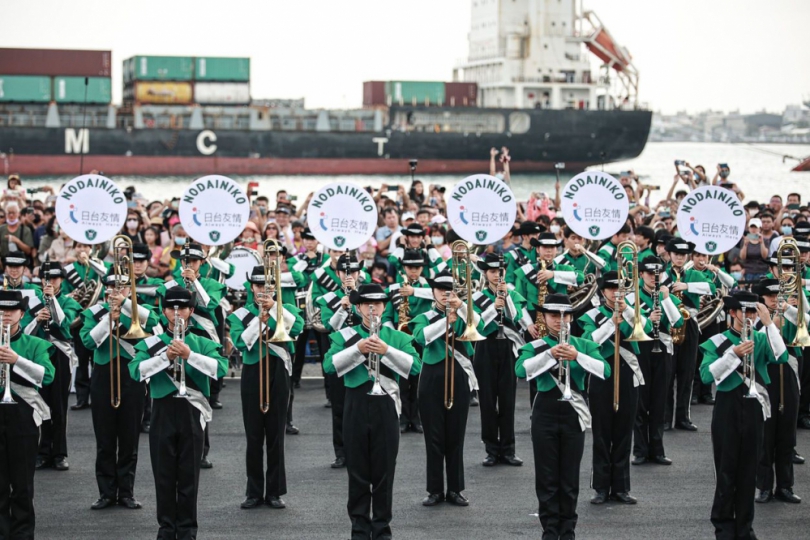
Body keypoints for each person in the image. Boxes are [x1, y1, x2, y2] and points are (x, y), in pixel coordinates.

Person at [323, 283, 421, 540]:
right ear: (357, 307)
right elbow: (328, 366)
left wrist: (387, 351)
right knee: (356, 471)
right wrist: (358, 350)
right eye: (367, 304)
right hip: (355, 404)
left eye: (377, 304)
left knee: (384, 472)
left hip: (386, 406)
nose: (372, 308)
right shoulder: (345, 336)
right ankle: (359, 528)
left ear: (384, 306)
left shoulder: (397, 337)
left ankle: (381, 528)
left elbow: (415, 367)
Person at [130, 286, 227, 540]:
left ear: (191, 311)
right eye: (171, 309)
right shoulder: (152, 343)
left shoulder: (203, 342)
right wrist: (165, 357)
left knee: (188, 476)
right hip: (162, 410)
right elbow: (136, 371)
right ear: (163, 312)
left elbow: (220, 369)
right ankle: (166, 528)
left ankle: (186, 530)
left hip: (191, 412)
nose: (177, 313)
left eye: (182, 308)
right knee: (163, 475)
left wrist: (189, 355)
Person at [516, 293, 609, 540]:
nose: (559, 320)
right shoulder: (535, 346)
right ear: (544, 318)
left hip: (573, 412)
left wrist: (577, 356)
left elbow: (604, 370)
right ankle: (550, 530)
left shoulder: (584, 344)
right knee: (546, 477)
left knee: (569, 477)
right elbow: (520, 370)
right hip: (544, 412)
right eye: (553, 315)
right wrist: (549, 355)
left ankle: (568, 530)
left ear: (571, 317)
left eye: (564, 315)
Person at [699, 291, 787, 540]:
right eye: (744, 311)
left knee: (749, 472)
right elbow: (707, 376)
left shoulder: (761, 337)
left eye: (752, 312)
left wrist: (768, 323)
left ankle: (745, 528)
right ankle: (724, 528)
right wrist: (733, 355)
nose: (748, 317)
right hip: (727, 407)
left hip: (753, 407)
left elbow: (781, 356)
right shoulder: (718, 341)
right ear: (733, 312)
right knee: (726, 471)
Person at [80, 266, 159, 510]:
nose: (116, 292)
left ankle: (126, 492)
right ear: (105, 290)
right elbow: (87, 341)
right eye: (112, 288)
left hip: (131, 376)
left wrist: (125, 304)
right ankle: (106, 493)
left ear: (128, 289)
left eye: (122, 288)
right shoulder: (94, 313)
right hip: (103, 376)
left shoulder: (136, 311)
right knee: (104, 439)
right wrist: (108, 321)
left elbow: (154, 321)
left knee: (129, 438)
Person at [228, 265, 304, 509]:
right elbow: (241, 342)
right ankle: (253, 491)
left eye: (268, 286)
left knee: (275, 434)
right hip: (252, 371)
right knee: (253, 435)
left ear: (275, 287)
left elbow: (298, 328)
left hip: (279, 370)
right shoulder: (241, 314)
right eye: (259, 285)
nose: (263, 290)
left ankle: (274, 491)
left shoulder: (287, 309)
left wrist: (274, 311)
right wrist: (259, 323)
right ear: (252, 287)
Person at [579, 270, 652, 505]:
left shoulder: (632, 312)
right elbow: (591, 342)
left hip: (628, 374)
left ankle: (621, 487)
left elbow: (646, 328)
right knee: (601, 433)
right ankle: (600, 487)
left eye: (620, 289)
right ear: (603, 292)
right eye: (611, 289)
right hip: (601, 374)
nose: (616, 293)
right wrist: (612, 323)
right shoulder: (592, 315)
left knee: (623, 431)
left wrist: (627, 310)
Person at [411, 268, 480, 506]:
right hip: (432, 375)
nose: (444, 293)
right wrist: (445, 321)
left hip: (459, 374)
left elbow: (478, 323)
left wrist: (460, 306)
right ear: (433, 292)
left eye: (449, 289)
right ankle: (435, 490)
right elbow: (421, 338)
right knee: (434, 437)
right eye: (440, 289)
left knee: (455, 436)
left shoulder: (463, 312)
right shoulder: (424, 315)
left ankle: (455, 489)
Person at [0, 289, 54, 540]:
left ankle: (22, 534)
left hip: (23, 415)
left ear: (21, 313)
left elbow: (48, 375)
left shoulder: (35, 344)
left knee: (22, 483)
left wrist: (17, 360)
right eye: (1, 311)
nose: (5, 315)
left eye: (11, 311)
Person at [472, 253, 534, 467]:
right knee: (487, 401)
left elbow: (516, 317)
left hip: (507, 347)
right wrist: (493, 306)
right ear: (485, 273)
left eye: (500, 271)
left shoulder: (512, 292)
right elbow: (478, 324)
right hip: (486, 347)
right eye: (492, 271)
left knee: (507, 400)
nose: (497, 275)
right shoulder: (477, 296)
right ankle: (491, 449)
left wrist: (505, 297)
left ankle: (508, 449)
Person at [629, 256, 683, 466]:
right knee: (641, 400)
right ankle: (640, 450)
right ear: (641, 275)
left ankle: (657, 449)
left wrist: (667, 298)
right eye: (650, 274)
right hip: (641, 348)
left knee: (660, 399)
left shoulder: (667, 294)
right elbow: (627, 321)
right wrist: (646, 317)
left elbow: (677, 321)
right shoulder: (632, 297)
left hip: (663, 349)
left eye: (657, 274)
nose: (654, 278)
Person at [753, 278, 802, 504]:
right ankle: (763, 486)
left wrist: (789, 309)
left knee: (786, 435)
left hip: (787, 373)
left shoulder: (788, 314)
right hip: (765, 376)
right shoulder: (754, 319)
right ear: (761, 298)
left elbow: (806, 323)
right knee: (765, 434)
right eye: (770, 297)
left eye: (776, 296)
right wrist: (768, 322)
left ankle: (785, 486)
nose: (774, 301)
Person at [29, 261, 81, 472]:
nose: (50, 282)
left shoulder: (68, 302)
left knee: (59, 404)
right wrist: (37, 318)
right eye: (46, 278)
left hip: (60, 354)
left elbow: (64, 323)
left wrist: (51, 301)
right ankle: (42, 452)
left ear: (61, 280)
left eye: (55, 278)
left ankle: (59, 453)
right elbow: (26, 331)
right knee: (40, 401)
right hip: (39, 354)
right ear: (41, 280)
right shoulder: (33, 301)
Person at [662, 239, 715, 431]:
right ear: (669, 255)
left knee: (687, 371)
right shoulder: (662, 274)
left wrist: (687, 287)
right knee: (668, 372)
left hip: (690, 323)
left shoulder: (693, 274)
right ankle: (666, 417)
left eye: (683, 255)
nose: (679, 258)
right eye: (676, 254)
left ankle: (683, 417)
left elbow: (712, 288)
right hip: (667, 323)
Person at [382, 248, 434, 434]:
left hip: (421, 338)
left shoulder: (428, 286)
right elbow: (386, 315)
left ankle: (418, 418)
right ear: (404, 268)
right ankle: (404, 417)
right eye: (410, 267)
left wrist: (414, 291)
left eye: (417, 267)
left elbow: (436, 296)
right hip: (401, 339)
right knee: (402, 381)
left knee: (420, 381)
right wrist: (394, 333)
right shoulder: (393, 289)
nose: (414, 271)